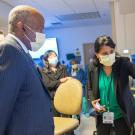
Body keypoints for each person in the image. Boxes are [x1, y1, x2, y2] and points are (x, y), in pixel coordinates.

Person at [0, 5, 54, 135]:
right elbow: (2, 106)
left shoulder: (23, 51)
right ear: (21, 26)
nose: (42, 34)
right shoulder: (9, 50)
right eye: (39, 29)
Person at [88, 35, 135, 135]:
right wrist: (93, 102)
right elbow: (90, 88)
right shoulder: (93, 67)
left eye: (111, 52)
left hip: (121, 113)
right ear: (97, 54)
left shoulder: (123, 63)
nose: (109, 55)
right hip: (103, 113)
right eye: (104, 53)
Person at [40, 50, 71, 115]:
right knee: (56, 119)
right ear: (46, 60)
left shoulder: (63, 68)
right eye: (51, 57)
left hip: (64, 96)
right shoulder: (43, 71)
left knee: (67, 116)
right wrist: (60, 81)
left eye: (55, 56)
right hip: (52, 98)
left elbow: (67, 81)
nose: (54, 58)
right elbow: (47, 84)